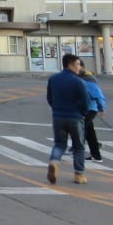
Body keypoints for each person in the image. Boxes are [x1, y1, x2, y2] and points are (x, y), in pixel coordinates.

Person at [46, 53, 88, 185]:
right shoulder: (79, 81)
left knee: (59, 144)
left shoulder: (53, 79)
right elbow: (84, 101)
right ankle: (78, 175)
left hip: (58, 116)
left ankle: (54, 162)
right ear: (70, 65)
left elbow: (49, 97)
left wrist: (56, 108)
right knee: (79, 146)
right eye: (77, 64)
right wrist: (83, 113)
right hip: (75, 116)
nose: (79, 67)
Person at [79, 61, 106, 163]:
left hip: (91, 109)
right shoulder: (78, 78)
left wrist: (101, 108)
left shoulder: (88, 79)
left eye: (77, 65)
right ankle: (96, 154)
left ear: (82, 67)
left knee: (82, 129)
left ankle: (79, 150)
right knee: (89, 132)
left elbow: (97, 95)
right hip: (83, 109)